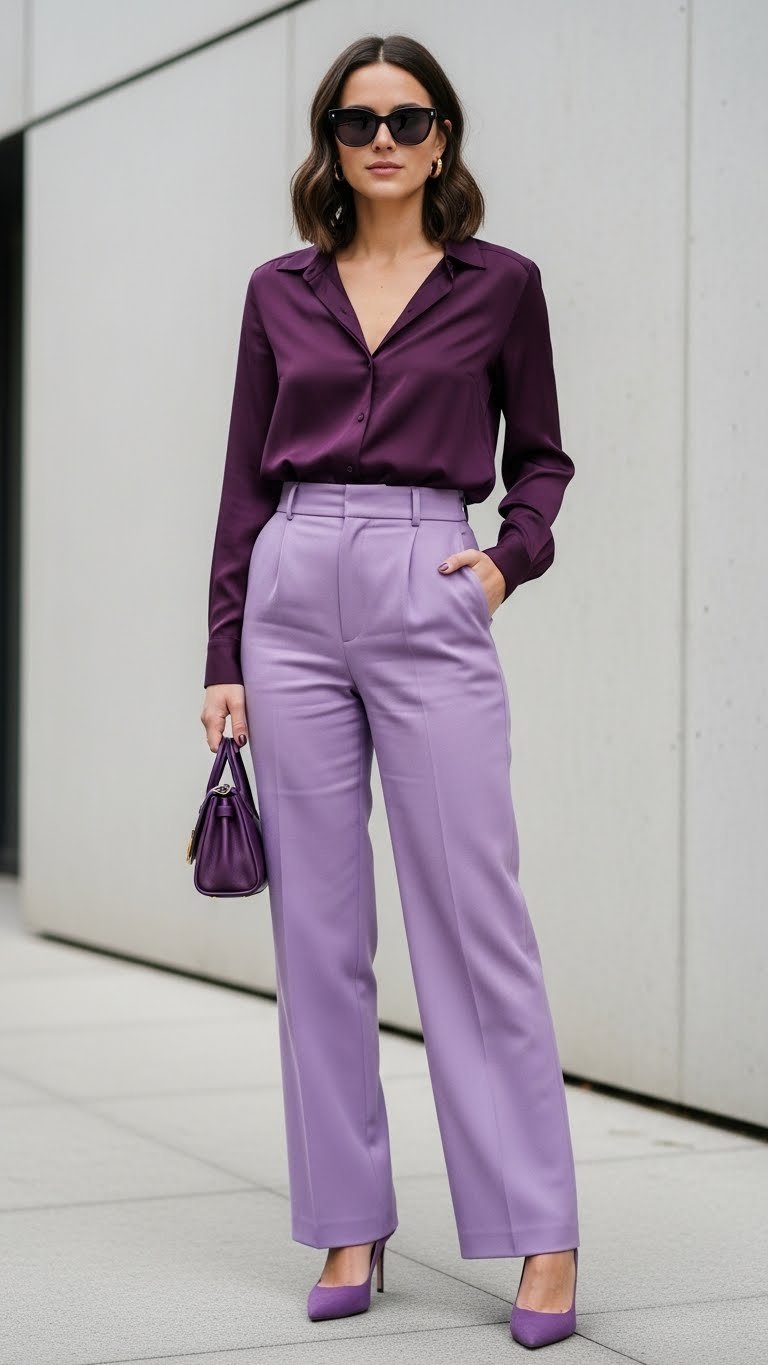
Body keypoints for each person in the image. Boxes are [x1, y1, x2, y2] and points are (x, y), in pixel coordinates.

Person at [200, 32, 580, 1349]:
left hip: (428, 570)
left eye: (409, 118)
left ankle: (542, 1225)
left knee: (474, 910)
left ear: (443, 139)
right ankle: (350, 1216)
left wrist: (501, 566)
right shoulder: (277, 290)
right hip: (295, 585)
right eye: (358, 119)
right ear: (331, 140)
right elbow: (244, 483)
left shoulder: (501, 287)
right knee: (317, 928)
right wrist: (221, 656)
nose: (383, 138)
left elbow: (540, 459)